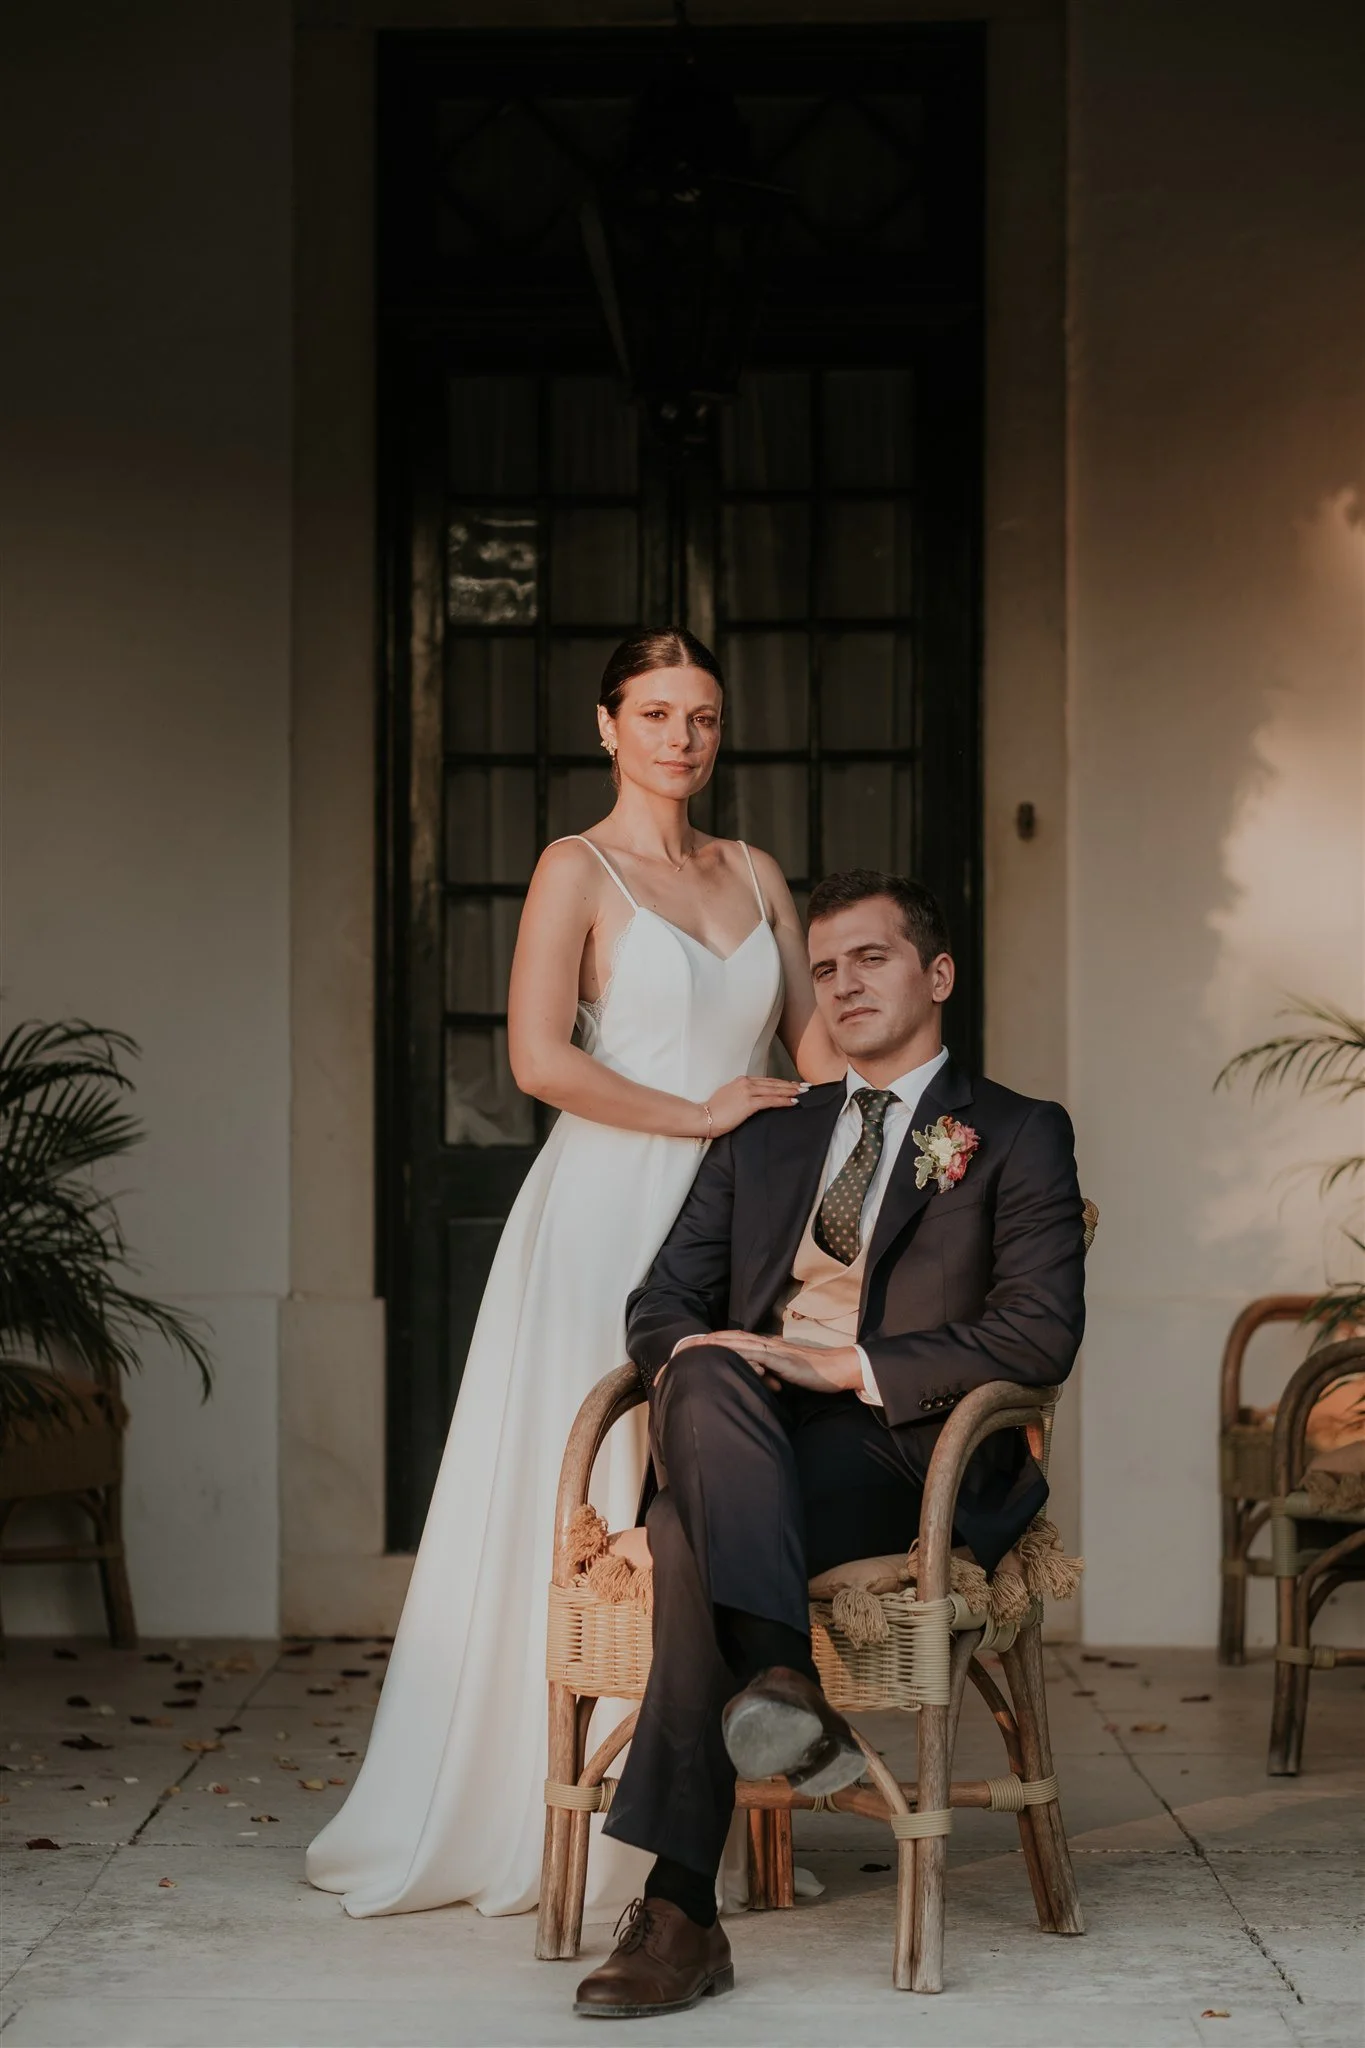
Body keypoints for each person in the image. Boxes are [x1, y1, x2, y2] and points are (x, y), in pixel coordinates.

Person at [306, 629, 842, 1920]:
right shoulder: (574, 866)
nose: (681, 737)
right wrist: (702, 1117)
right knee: (599, 1488)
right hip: (611, 1198)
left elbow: (816, 1046)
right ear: (609, 726)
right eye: (655, 712)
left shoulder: (757, 872)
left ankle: (706, 1812)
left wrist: (860, 1163)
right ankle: (557, 1811)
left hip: (742, 1212)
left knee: (712, 1484)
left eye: (702, 714)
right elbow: (540, 1062)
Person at [574, 868, 1087, 2019]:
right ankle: (785, 1685)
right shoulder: (766, 1135)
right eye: (825, 967)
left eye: (872, 957)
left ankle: (678, 1913)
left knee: (686, 1525)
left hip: (911, 1448)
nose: (843, 983)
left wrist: (845, 1364)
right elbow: (660, 1299)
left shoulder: (1013, 1132)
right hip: (748, 1426)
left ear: (937, 974)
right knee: (701, 1363)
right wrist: (721, 1351)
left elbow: (1040, 1331)